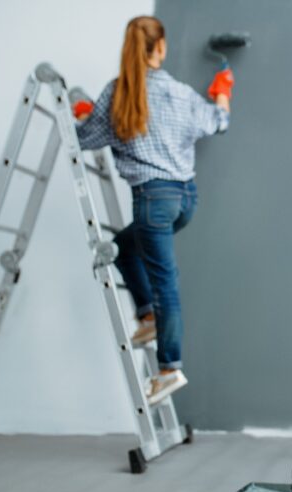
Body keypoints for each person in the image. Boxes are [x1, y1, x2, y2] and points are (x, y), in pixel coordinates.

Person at [75, 16, 234, 405]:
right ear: (159, 48)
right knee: (123, 248)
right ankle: (146, 316)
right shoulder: (180, 93)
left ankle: (168, 369)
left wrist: (82, 113)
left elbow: (83, 138)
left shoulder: (118, 95)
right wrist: (223, 91)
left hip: (151, 199)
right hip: (184, 201)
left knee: (165, 282)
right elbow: (219, 122)